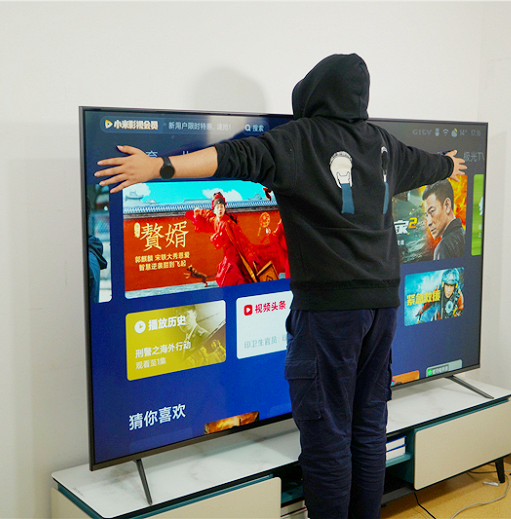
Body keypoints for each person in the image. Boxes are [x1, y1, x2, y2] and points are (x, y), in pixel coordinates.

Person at [95, 53, 466, 519]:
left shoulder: (299, 138)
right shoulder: (382, 143)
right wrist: (448, 165)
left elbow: (232, 157)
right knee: (369, 428)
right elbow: (428, 164)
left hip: (330, 312)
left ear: (313, 93)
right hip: (383, 308)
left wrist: (159, 167)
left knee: (328, 436)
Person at [422, 179, 465, 260]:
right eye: (427, 215)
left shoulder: (443, 248)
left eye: (432, 211)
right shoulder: (466, 236)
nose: (429, 223)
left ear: (447, 205)